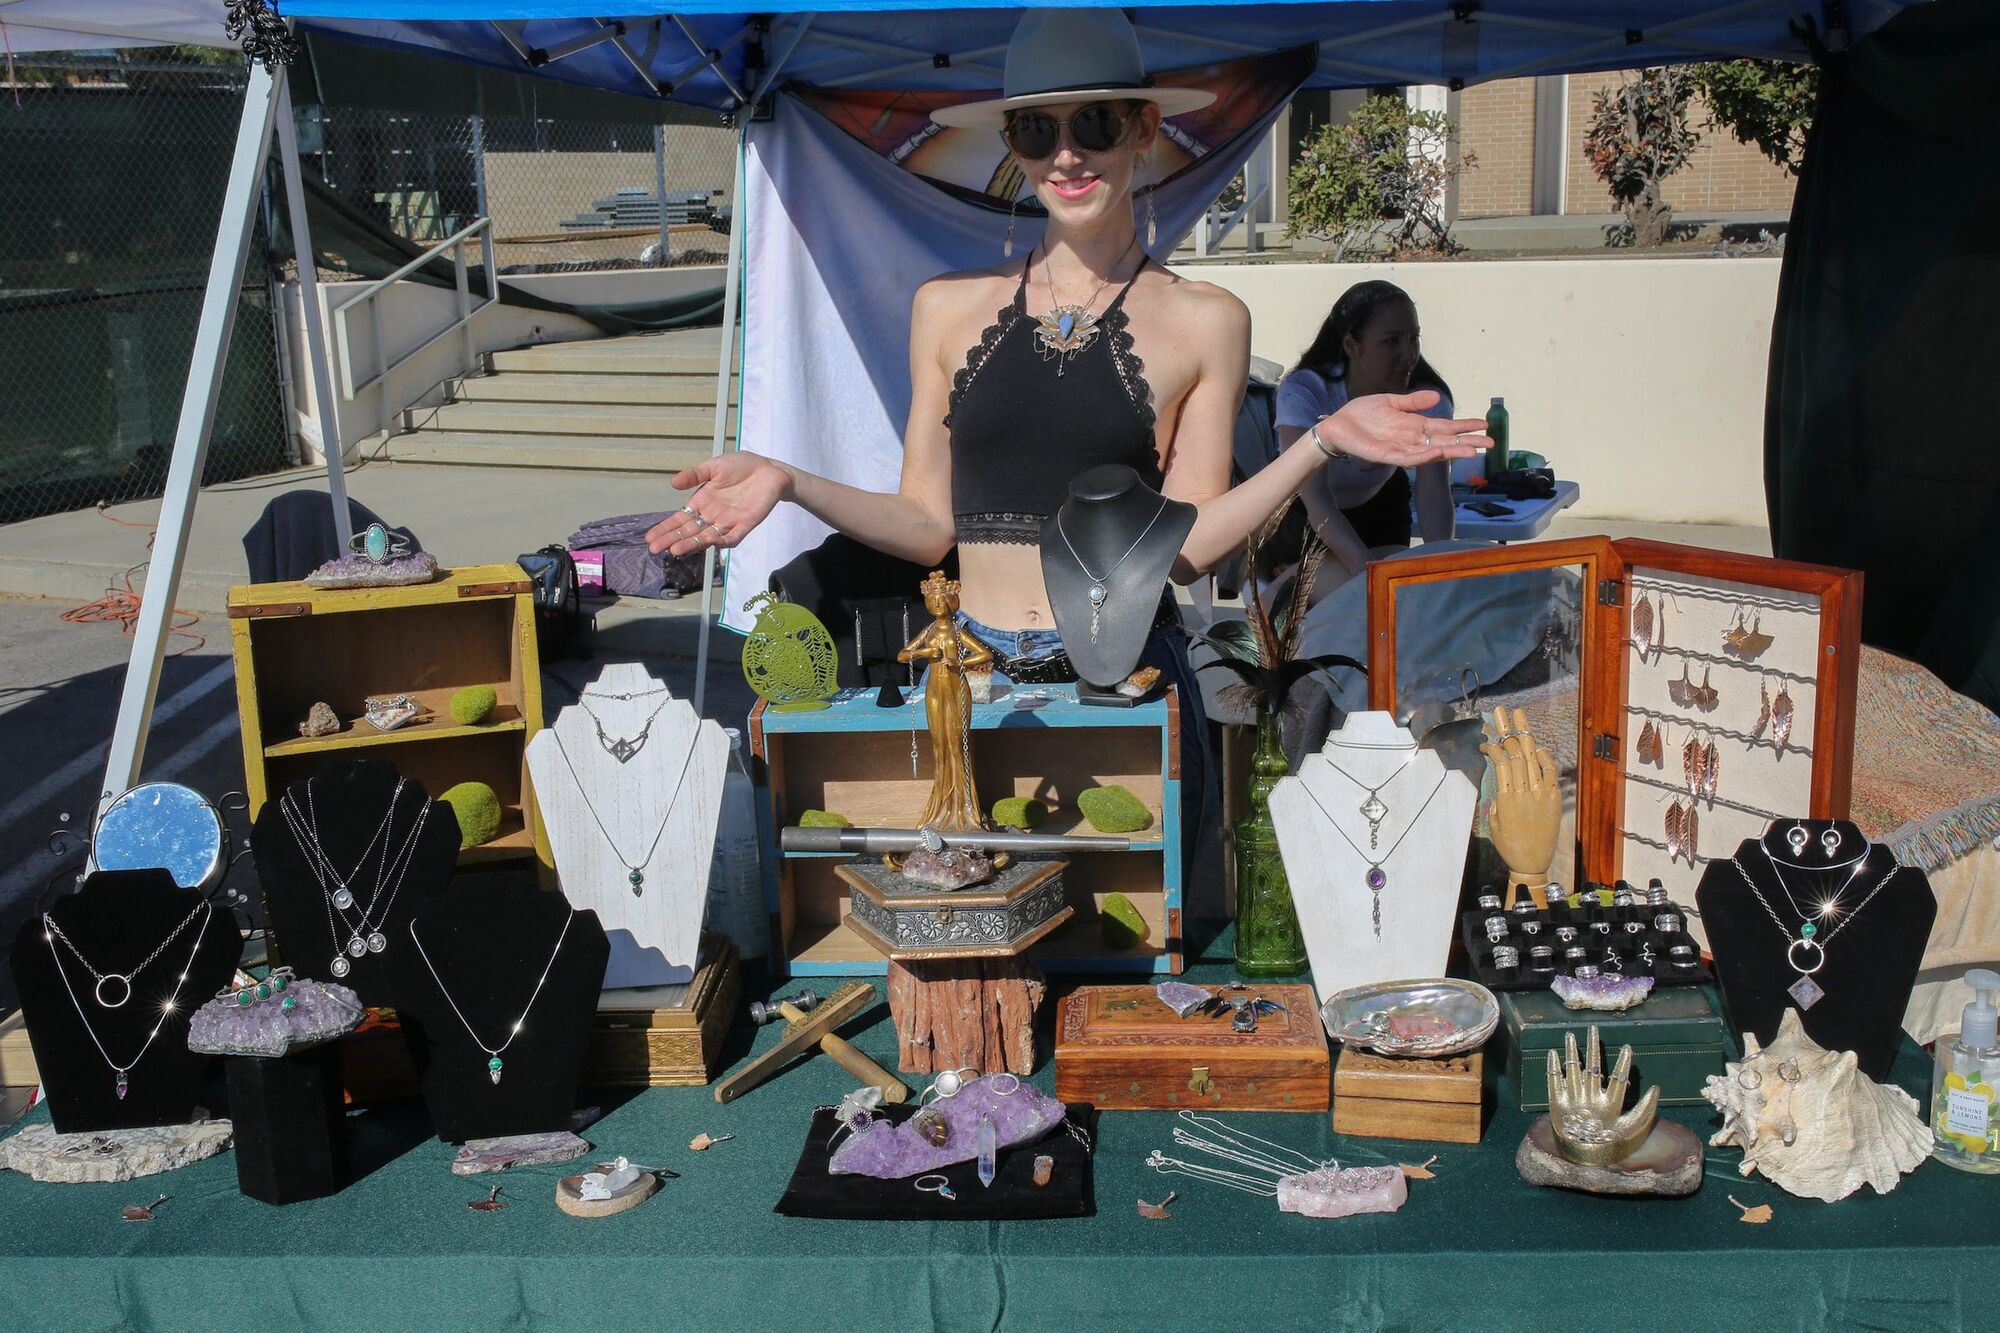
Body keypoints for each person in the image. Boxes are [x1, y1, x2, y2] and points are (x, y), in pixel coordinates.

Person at [645, 10, 1486, 879]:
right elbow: (928, 525)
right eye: (1038, 131)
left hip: (1125, 682)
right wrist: (788, 478)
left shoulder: (1207, 319)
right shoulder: (945, 308)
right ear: (1013, 143)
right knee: (972, 933)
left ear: (1144, 130)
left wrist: (1318, 444)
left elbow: (1189, 547)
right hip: (970, 681)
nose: (1067, 156)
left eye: (1095, 124)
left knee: (1129, 943)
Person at [1276, 281, 1459, 582]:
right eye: (1391, 341)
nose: (1408, 354)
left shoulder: (1427, 398)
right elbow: (1315, 497)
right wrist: (1365, 570)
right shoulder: (1305, 391)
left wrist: (1441, 567)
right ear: (1352, 345)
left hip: (1380, 506)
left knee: (1399, 592)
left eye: (1414, 338)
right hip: (1301, 513)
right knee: (1333, 593)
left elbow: (1434, 494)